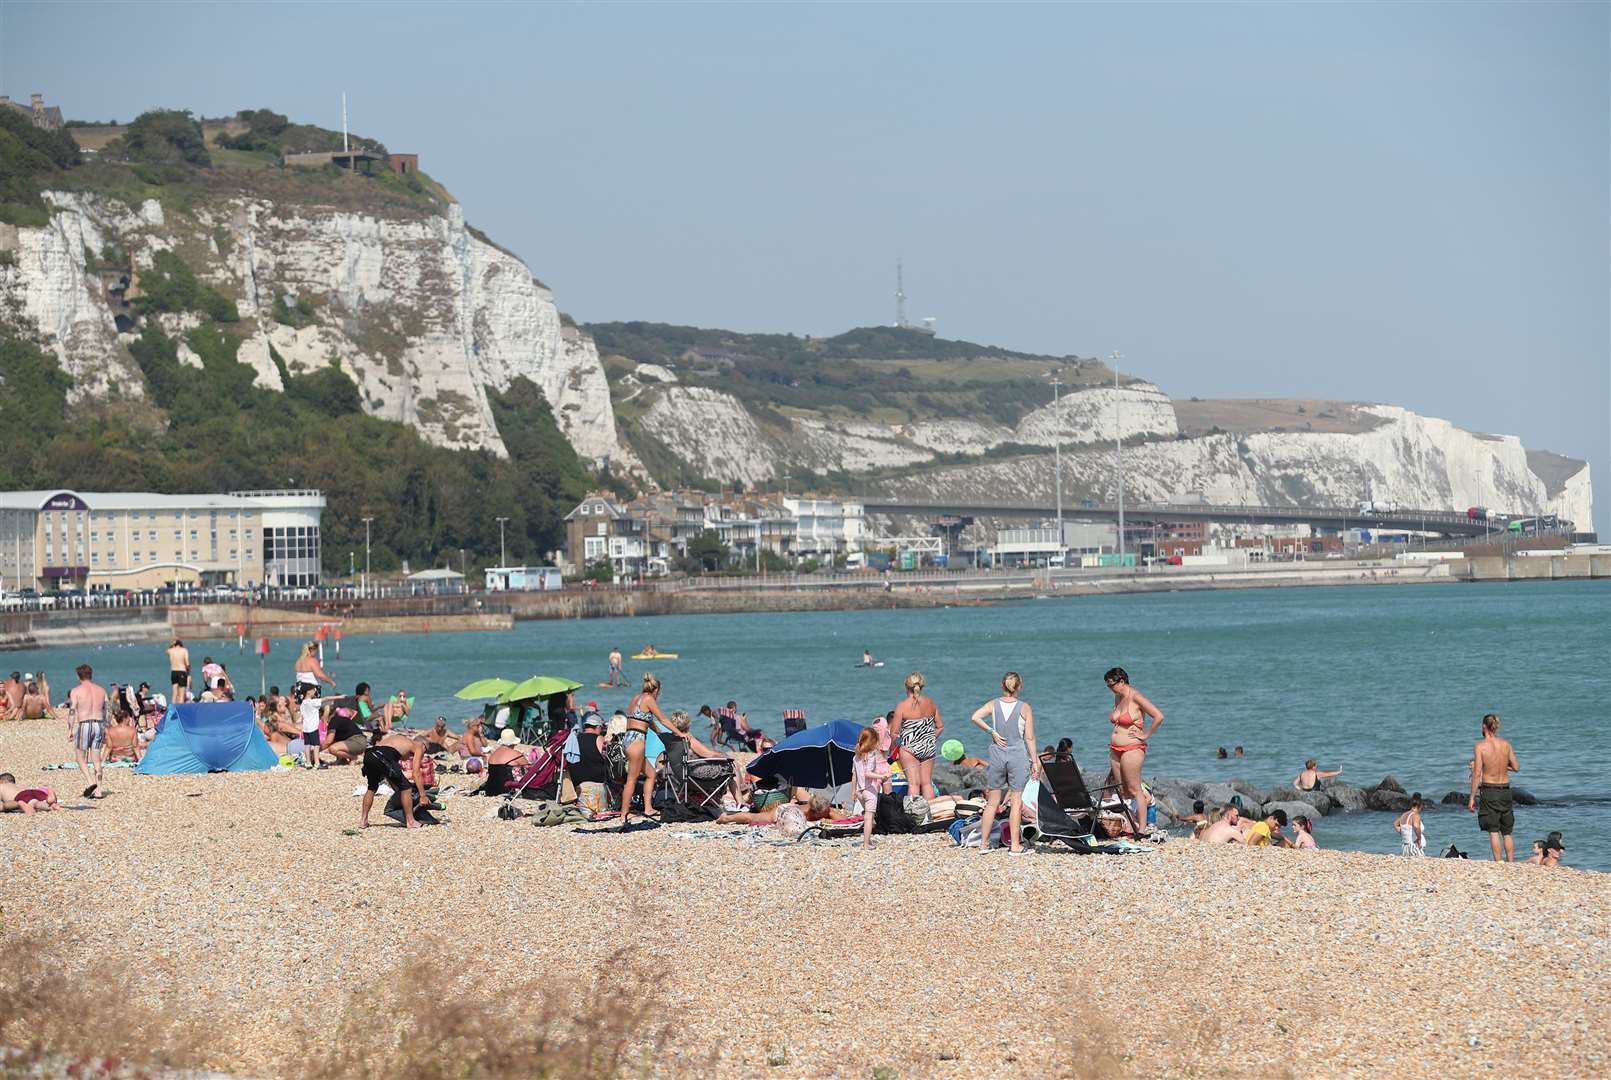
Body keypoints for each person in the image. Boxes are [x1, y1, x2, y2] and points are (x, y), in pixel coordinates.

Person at [971, 671, 1039, 855]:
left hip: (997, 754)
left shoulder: (994, 704)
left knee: (992, 802)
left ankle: (984, 844)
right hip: (1017, 755)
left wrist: (991, 731)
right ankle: (1015, 846)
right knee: (1016, 802)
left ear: (1002, 686)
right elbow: (1029, 737)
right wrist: (1035, 761)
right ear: (1020, 687)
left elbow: (975, 717)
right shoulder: (1024, 707)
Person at [1105, 667, 1163, 835]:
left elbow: (1158, 716)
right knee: (1122, 789)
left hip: (1132, 748)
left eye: (1111, 685)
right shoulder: (1118, 697)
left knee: (1135, 788)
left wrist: (1145, 734)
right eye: (1107, 686)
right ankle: (1132, 825)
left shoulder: (1136, 697)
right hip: (1115, 749)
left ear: (1121, 681)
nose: (1110, 689)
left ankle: (1143, 829)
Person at [617, 674, 675, 828]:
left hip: (628, 738)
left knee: (651, 774)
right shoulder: (649, 699)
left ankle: (648, 808)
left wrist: (662, 734)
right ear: (656, 690)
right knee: (632, 779)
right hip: (637, 741)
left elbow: (646, 721)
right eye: (659, 692)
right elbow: (663, 719)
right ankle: (624, 814)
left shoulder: (637, 698)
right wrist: (680, 732)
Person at [665, 709, 748, 808]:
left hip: (679, 777)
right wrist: (723, 755)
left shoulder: (670, 739)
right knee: (732, 765)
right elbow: (709, 754)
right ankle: (741, 801)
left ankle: (741, 794)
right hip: (695, 777)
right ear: (687, 724)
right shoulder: (688, 738)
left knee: (728, 763)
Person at [1468, 713, 1520, 862]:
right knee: (1507, 832)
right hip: (1505, 789)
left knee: (1493, 830)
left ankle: (1499, 862)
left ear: (1484, 726)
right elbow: (1516, 767)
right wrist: (1504, 765)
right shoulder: (1506, 744)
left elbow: (1477, 773)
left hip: (1490, 790)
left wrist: (1472, 797)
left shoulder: (1480, 746)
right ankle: (1511, 863)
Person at [891, 671, 942, 801]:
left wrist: (896, 746)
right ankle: (930, 814)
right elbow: (940, 726)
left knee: (914, 784)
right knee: (926, 783)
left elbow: (894, 733)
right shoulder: (930, 703)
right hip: (928, 747)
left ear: (906, 687)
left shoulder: (902, 706)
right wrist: (930, 738)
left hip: (909, 749)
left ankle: (915, 816)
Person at [360, 732, 428, 829]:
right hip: (383, 756)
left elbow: (389, 774)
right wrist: (423, 795)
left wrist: (396, 788)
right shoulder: (418, 746)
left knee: (372, 788)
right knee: (407, 787)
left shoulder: (399, 740)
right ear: (423, 745)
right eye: (425, 752)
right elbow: (416, 773)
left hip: (369, 754)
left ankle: (363, 821)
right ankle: (411, 821)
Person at [67, 663, 109, 799]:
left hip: (85, 724)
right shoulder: (101, 690)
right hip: (99, 724)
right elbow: (107, 711)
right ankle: (99, 791)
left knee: (80, 757)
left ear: (78, 676)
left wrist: (70, 729)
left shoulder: (76, 691)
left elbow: (72, 711)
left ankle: (91, 782)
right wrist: (106, 728)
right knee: (96, 759)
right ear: (91, 674)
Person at [852, 726, 892, 848]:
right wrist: (881, 776)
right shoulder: (870, 756)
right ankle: (866, 843)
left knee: (869, 816)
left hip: (859, 791)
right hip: (869, 791)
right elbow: (867, 773)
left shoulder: (856, 757)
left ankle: (868, 835)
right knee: (868, 817)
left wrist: (853, 791)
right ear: (873, 741)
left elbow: (854, 775)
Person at [298, 685, 324, 769]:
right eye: (313, 690)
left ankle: (308, 762)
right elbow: (326, 699)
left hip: (305, 727)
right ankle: (317, 763)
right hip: (313, 727)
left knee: (307, 745)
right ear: (308, 692)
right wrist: (338, 697)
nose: (315, 692)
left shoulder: (303, 703)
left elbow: (302, 717)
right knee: (316, 745)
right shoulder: (313, 702)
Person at [166, 639, 190, 705]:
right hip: (182, 671)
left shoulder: (171, 650)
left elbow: (166, 651)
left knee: (174, 693)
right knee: (181, 695)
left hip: (173, 672)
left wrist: (172, 644)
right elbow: (187, 662)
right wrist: (189, 672)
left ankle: (173, 709)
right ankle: (180, 710)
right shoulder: (184, 650)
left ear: (174, 645)